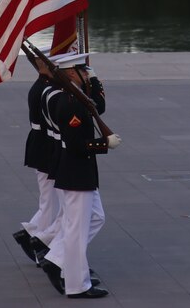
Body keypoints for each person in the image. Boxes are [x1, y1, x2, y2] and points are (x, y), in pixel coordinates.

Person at [39, 59, 119, 299]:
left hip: (80, 171)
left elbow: (98, 106)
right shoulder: (70, 103)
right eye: (84, 70)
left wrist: (93, 78)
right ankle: (77, 284)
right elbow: (75, 145)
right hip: (75, 171)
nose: (87, 73)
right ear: (72, 73)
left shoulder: (76, 98)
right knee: (76, 229)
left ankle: (56, 258)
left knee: (96, 218)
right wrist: (104, 143)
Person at [14, 65, 64, 265]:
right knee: (51, 204)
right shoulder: (46, 89)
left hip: (42, 145)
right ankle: (35, 237)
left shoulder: (42, 86)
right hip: (46, 148)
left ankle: (32, 235)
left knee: (50, 203)